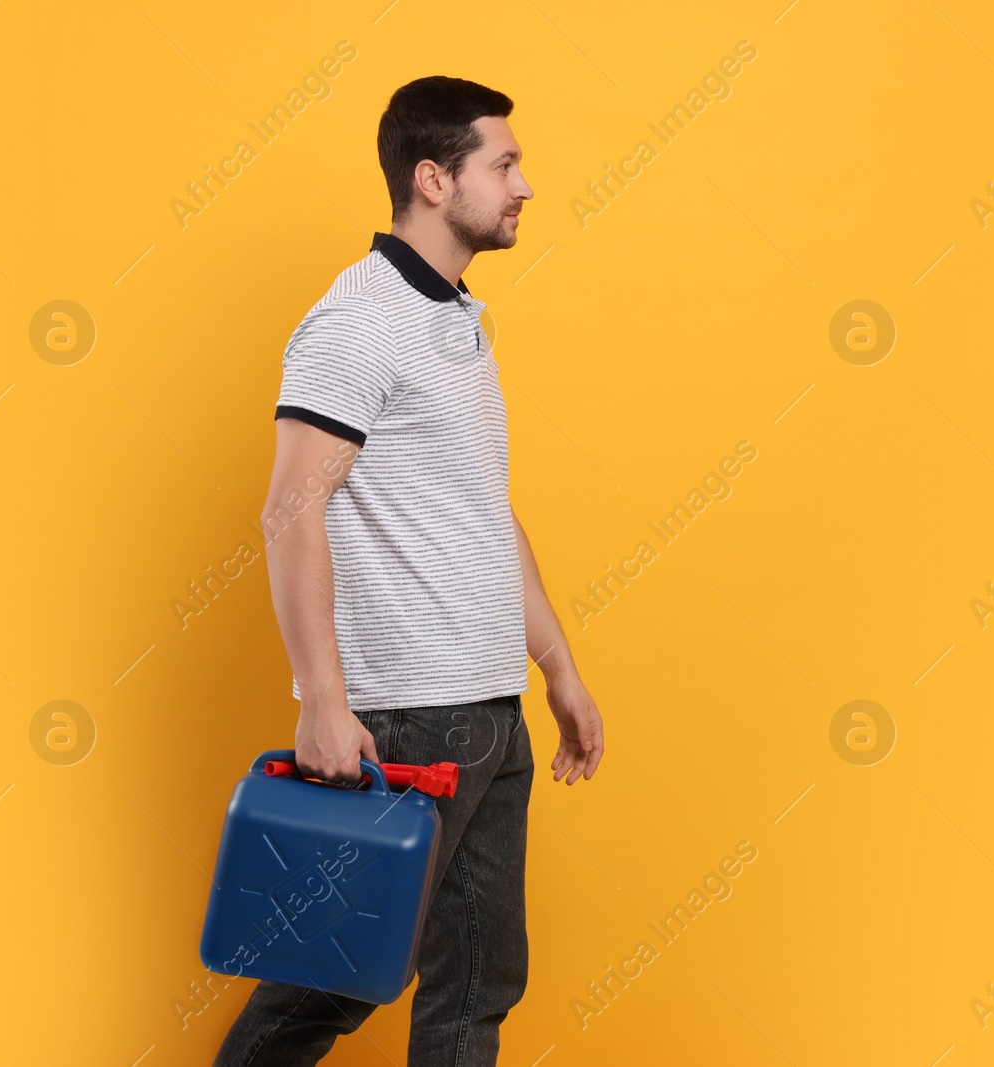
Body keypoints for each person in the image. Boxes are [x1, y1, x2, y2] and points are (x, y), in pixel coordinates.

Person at [215, 75, 605, 1067]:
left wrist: (555, 665)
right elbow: (288, 508)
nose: (524, 186)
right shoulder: (358, 322)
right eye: (504, 164)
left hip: (486, 710)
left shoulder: (452, 320)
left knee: (475, 989)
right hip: (409, 719)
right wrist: (320, 698)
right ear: (434, 179)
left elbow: (482, 511)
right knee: (327, 978)